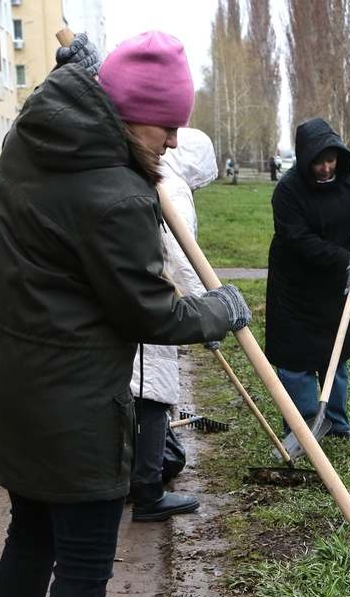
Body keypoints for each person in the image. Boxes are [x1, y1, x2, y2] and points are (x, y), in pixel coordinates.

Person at [0, 31, 251, 597]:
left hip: (8, 381)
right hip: (70, 401)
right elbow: (149, 312)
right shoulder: (114, 194)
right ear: (129, 115)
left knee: (29, 534)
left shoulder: (34, 137)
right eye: (164, 129)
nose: (170, 144)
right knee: (86, 565)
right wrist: (218, 310)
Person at [264, 117, 350, 442]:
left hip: (333, 286)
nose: (326, 168)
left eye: (330, 160)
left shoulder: (343, 177)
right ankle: (303, 427)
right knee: (297, 361)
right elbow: (298, 239)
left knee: (336, 355)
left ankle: (336, 422)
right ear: (305, 160)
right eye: (318, 162)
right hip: (295, 289)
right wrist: (342, 260)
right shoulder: (288, 191)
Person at [127, 128, 219, 522]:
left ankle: (128, 480)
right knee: (151, 393)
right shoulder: (172, 189)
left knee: (136, 396)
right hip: (150, 308)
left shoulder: (147, 176)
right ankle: (148, 491)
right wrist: (210, 315)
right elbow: (184, 259)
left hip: (132, 303)